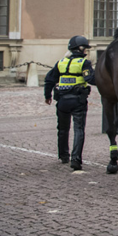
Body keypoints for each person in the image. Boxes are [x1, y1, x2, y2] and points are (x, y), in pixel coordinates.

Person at [44, 36, 95, 170]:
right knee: (79, 130)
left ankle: (63, 155)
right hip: (78, 101)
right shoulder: (84, 63)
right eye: (85, 49)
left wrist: (47, 96)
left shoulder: (61, 62)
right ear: (81, 49)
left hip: (62, 101)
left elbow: (49, 79)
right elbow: (90, 78)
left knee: (62, 129)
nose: (86, 51)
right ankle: (76, 159)